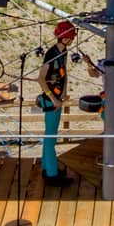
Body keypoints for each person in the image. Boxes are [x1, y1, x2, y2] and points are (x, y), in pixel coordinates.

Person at [37, 19, 77, 186]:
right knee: (50, 138)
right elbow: (41, 79)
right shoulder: (52, 54)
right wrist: (54, 99)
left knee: (50, 135)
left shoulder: (63, 52)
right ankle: (52, 174)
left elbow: (64, 73)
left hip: (57, 98)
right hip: (52, 100)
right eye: (71, 37)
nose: (72, 40)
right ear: (66, 38)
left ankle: (47, 168)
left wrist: (64, 93)